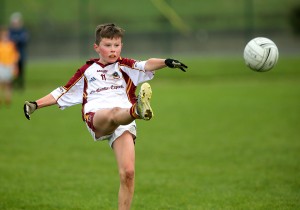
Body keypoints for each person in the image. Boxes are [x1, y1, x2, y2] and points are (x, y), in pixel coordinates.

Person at [23, 23, 187, 210]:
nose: (113, 50)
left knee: (128, 173)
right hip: (97, 115)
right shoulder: (87, 71)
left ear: (121, 46)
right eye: (108, 45)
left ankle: (136, 111)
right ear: (97, 47)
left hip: (124, 119)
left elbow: (146, 64)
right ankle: (138, 111)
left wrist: (166, 62)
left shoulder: (126, 66)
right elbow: (63, 91)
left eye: (116, 45)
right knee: (112, 114)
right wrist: (35, 104)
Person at [9, 12, 29, 90]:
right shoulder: (10, 31)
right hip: (11, 54)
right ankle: (13, 84)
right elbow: (10, 41)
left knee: (21, 70)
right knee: (12, 70)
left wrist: (16, 40)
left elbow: (24, 40)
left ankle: (20, 85)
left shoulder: (23, 30)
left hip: (21, 53)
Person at [0, 27, 19, 107]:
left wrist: (15, 66)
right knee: (1, 83)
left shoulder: (11, 45)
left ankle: (8, 98)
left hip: (9, 65)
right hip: (1, 65)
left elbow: (15, 55)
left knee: (8, 83)